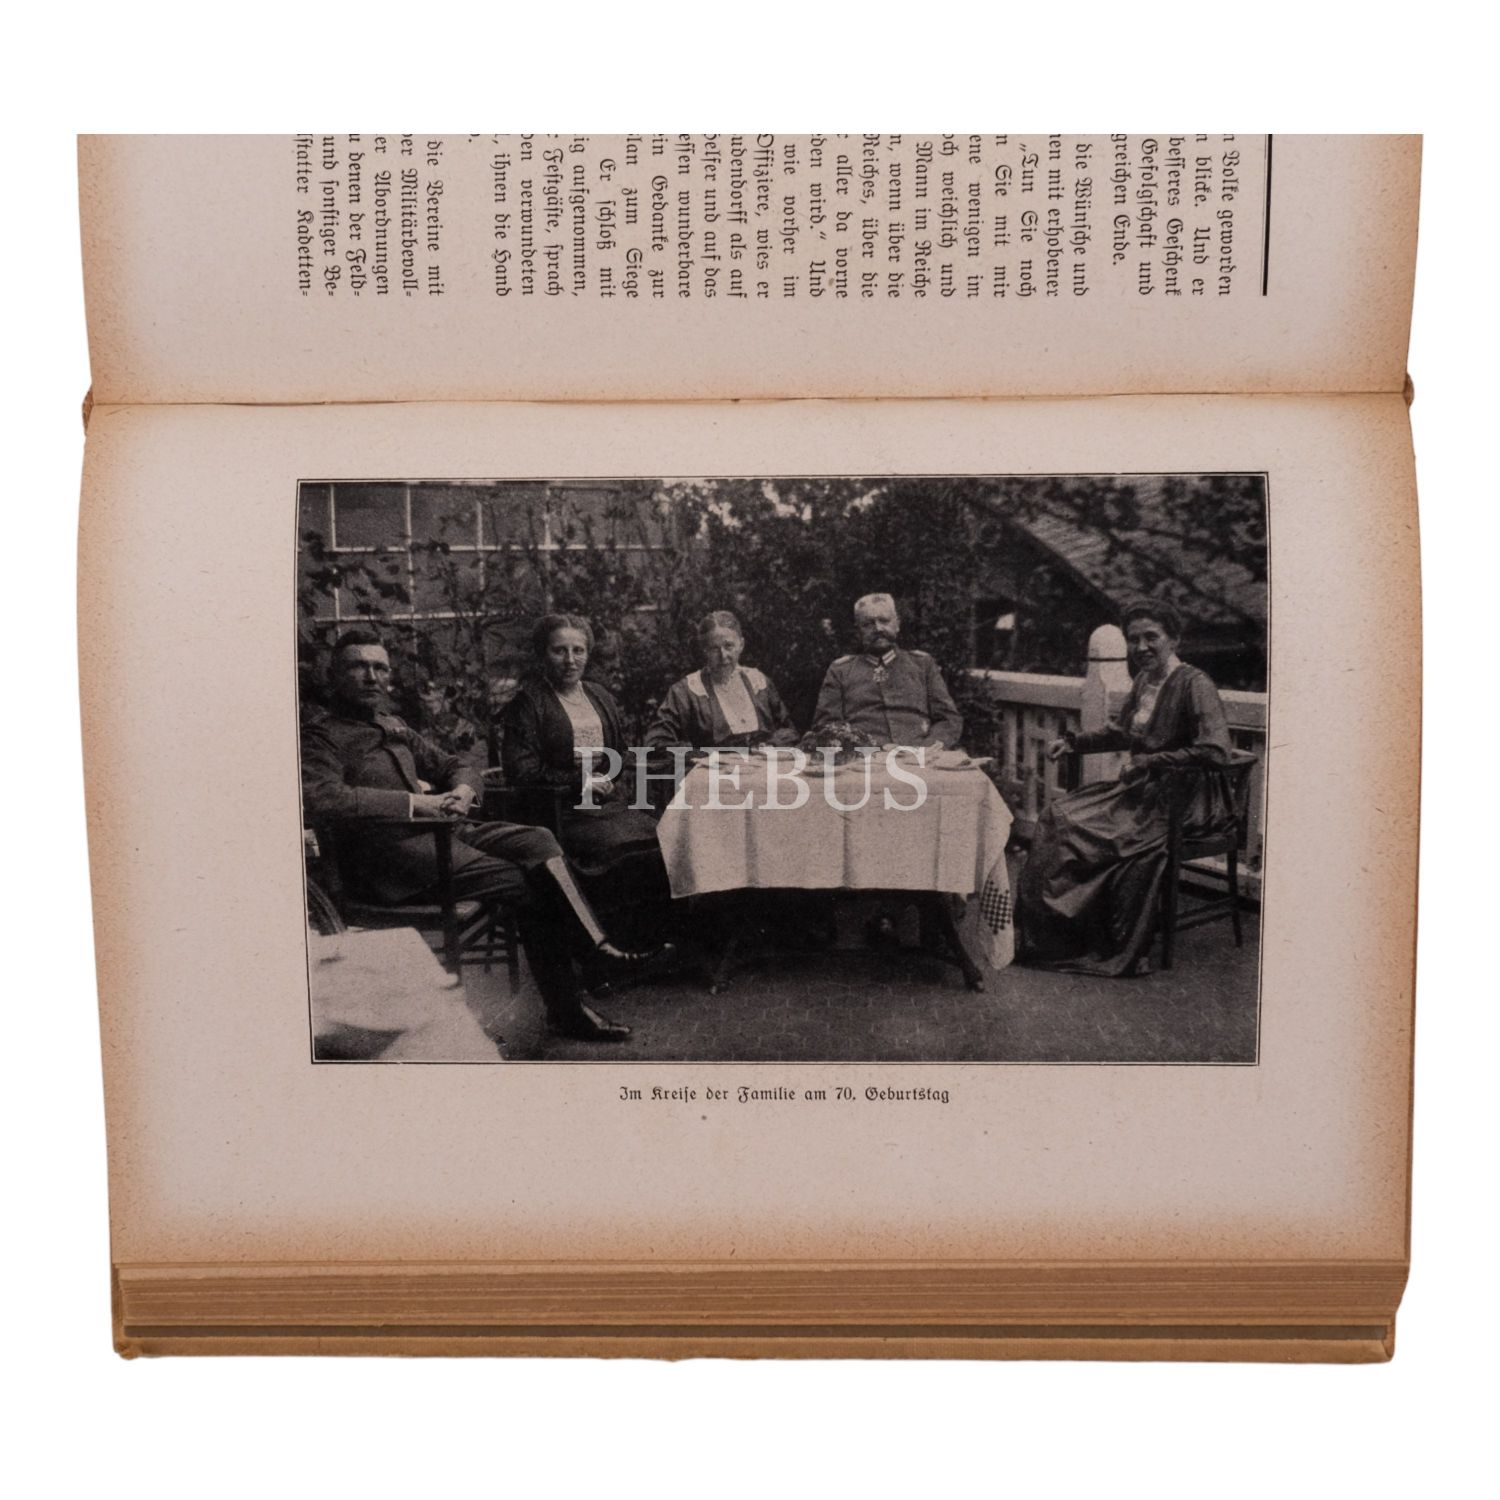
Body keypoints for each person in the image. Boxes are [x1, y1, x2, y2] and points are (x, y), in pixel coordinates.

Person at [301, 627, 644, 1042]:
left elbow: (456, 764)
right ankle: (571, 1005)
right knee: (527, 882)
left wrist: (464, 790)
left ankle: (595, 950)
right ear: (334, 674)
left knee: (537, 840)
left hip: (446, 834)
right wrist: (416, 804)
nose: (372, 677)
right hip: (390, 860)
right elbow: (324, 799)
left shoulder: (393, 725)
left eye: (380, 668)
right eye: (359, 667)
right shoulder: (320, 736)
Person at [1016, 600, 1235, 977]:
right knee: (1058, 815)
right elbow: (1120, 733)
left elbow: (1216, 750)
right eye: (1134, 639)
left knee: (1081, 828)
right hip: (1143, 790)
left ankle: (1092, 936)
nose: (1141, 647)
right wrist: (1073, 742)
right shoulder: (1144, 681)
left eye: (1152, 637)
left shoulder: (1195, 684)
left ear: (1174, 639)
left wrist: (1152, 761)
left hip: (1184, 799)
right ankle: (1058, 935)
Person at [502, 614, 672, 946]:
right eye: (559, 651)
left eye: (578, 650)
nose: (570, 660)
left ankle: (651, 940)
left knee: (664, 837)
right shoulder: (527, 704)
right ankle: (607, 945)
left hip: (608, 806)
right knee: (620, 850)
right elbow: (522, 772)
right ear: (543, 654)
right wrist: (581, 782)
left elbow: (619, 752)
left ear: (587, 653)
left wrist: (610, 775)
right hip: (560, 813)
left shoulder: (599, 696)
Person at [812, 593, 964, 750]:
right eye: (867, 624)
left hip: (922, 754)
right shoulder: (840, 670)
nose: (878, 629)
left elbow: (948, 719)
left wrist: (928, 747)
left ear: (897, 624)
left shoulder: (922, 664)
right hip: (865, 757)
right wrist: (872, 748)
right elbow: (827, 726)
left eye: (884, 621)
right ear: (858, 631)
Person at [645, 611, 800, 754]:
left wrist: (771, 745)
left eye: (728, 646)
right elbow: (657, 743)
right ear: (704, 650)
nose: (723, 655)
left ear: (741, 645)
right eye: (714, 648)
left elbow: (788, 731)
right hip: (712, 773)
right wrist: (700, 755)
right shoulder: (687, 692)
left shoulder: (758, 683)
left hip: (762, 770)